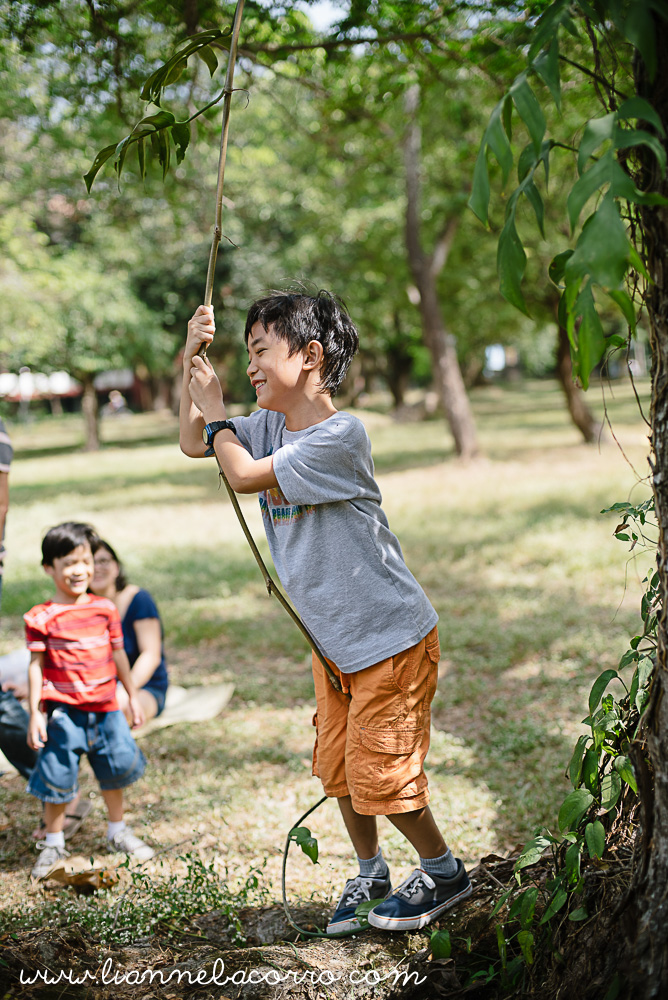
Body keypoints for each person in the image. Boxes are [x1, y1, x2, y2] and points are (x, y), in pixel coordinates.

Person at [179, 291, 472, 934]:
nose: (251, 365)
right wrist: (190, 367)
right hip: (333, 642)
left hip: (388, 637)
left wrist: (218, 415)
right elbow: (193, 444)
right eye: (247, 353)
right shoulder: (269, 426)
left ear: (310, 357)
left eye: (261, 351)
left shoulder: (341, 435)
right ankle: (369, 872)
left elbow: (245, 475)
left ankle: (445, 871)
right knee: (338, 766)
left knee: (382, 769)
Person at [25, 522, 155, 879]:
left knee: (114, 769)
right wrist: (37, 712)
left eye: (84, 561)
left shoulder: (105, 609)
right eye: (68, 563)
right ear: (49, 568)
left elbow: (119, 657)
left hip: (106, 709)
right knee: (56, 775)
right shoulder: (41, 617)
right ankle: (53, 842)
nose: (79, 570)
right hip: (64, 713)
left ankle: (118, 831)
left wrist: (130, 695)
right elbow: (36, 666)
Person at [90, 540, 169, 724]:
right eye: (91, 562)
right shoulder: (81, 606)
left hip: (143, 686)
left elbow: (151, 655)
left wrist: (125, 690)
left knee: (119, 713)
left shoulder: (139, 599)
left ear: (116, 567)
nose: (97, 568)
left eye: (103, 561)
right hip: (97, 688)